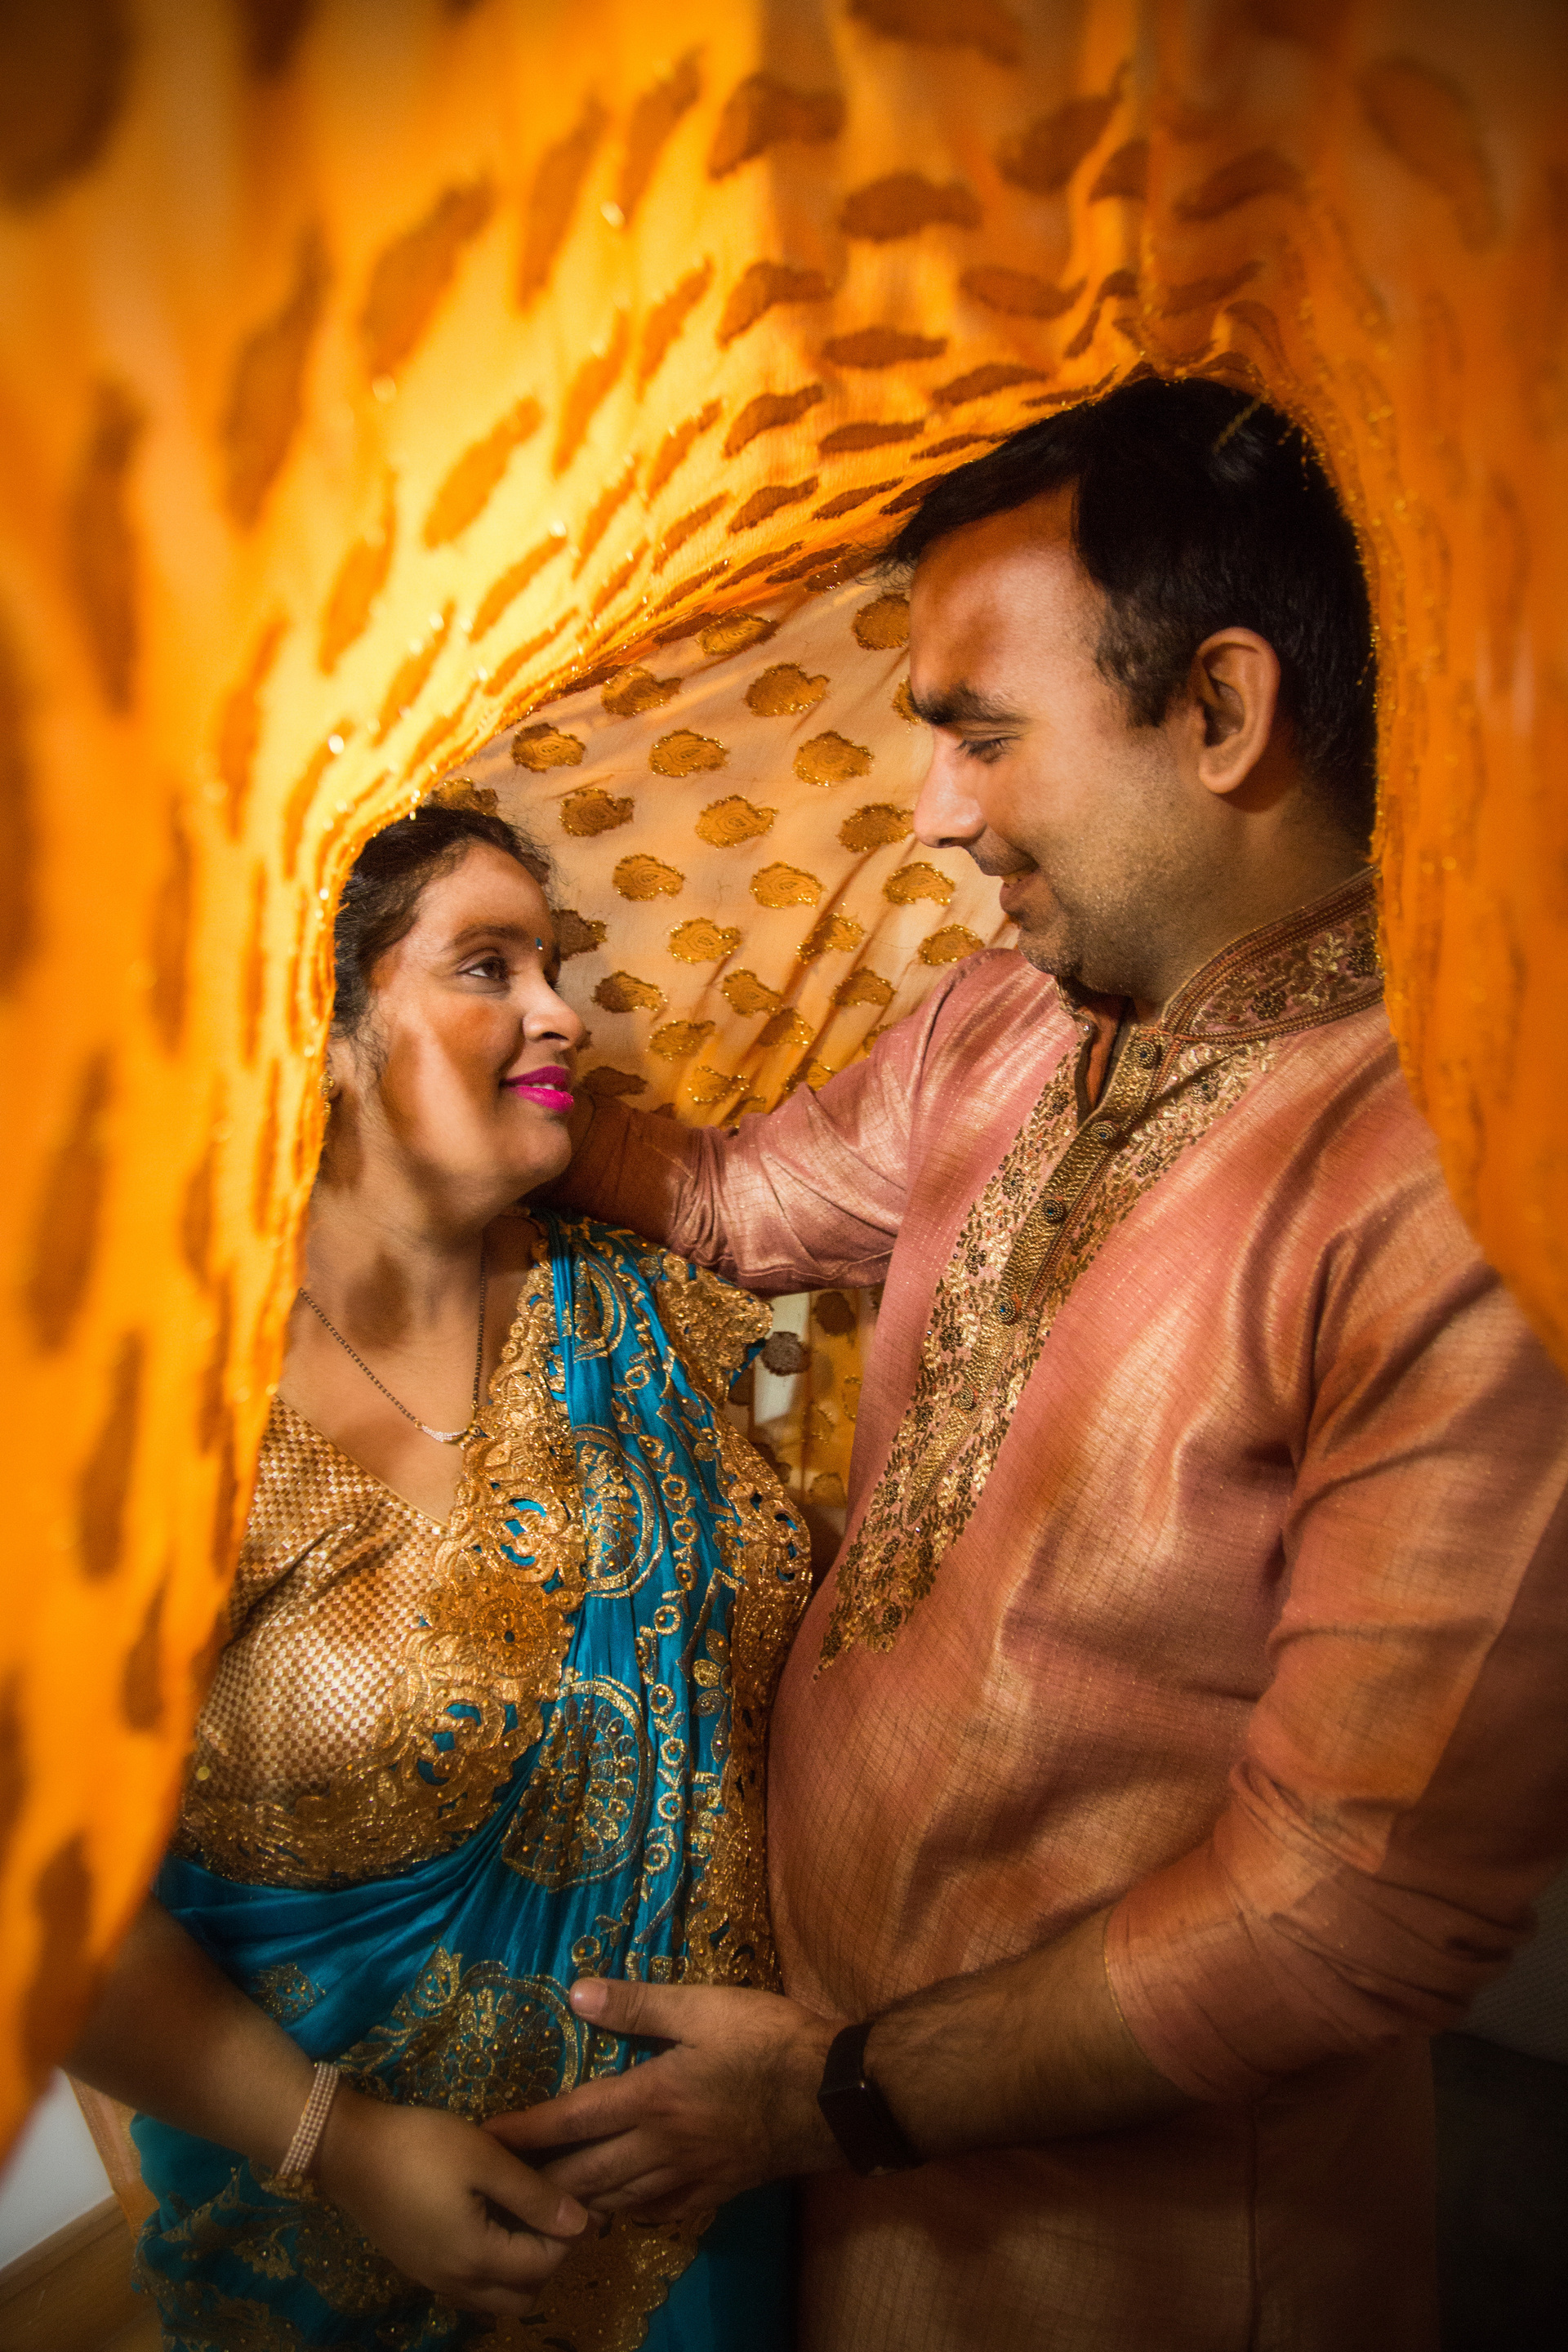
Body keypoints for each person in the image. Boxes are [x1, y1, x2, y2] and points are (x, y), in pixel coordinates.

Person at [491, 380, 1568, 2350]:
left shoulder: (1465, 1196)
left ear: (1222, 710)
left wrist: (835, 2099)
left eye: (981, 736)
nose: (935, 812)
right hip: (824, 2098)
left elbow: (1350, 1906)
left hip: (1137, 2238)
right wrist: (503, 1097)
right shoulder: (1009, 1017)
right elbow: (739, 1198)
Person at [66, 799, 808, 2350]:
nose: (562, 1014)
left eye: (557, 967)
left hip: (709, 2200)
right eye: (488, 966)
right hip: (334, 2237)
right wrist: (336, 2145)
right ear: (322, 1029)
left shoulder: (640, 1312)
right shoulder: (151, 1425)